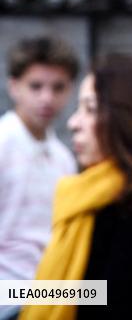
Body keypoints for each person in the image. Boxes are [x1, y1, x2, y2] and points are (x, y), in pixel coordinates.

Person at [21, 53, 132, 320]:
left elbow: (112, 298)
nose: (73, 123)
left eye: (90, 109)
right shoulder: (90, 196)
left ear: (127, 120)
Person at [0, 36, 78, 317]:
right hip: (7, 297)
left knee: (109, 292)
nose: (47, 97)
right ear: (14, 87)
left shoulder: (64, 157)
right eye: (35, 86)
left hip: (48, 294)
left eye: (58, 87)